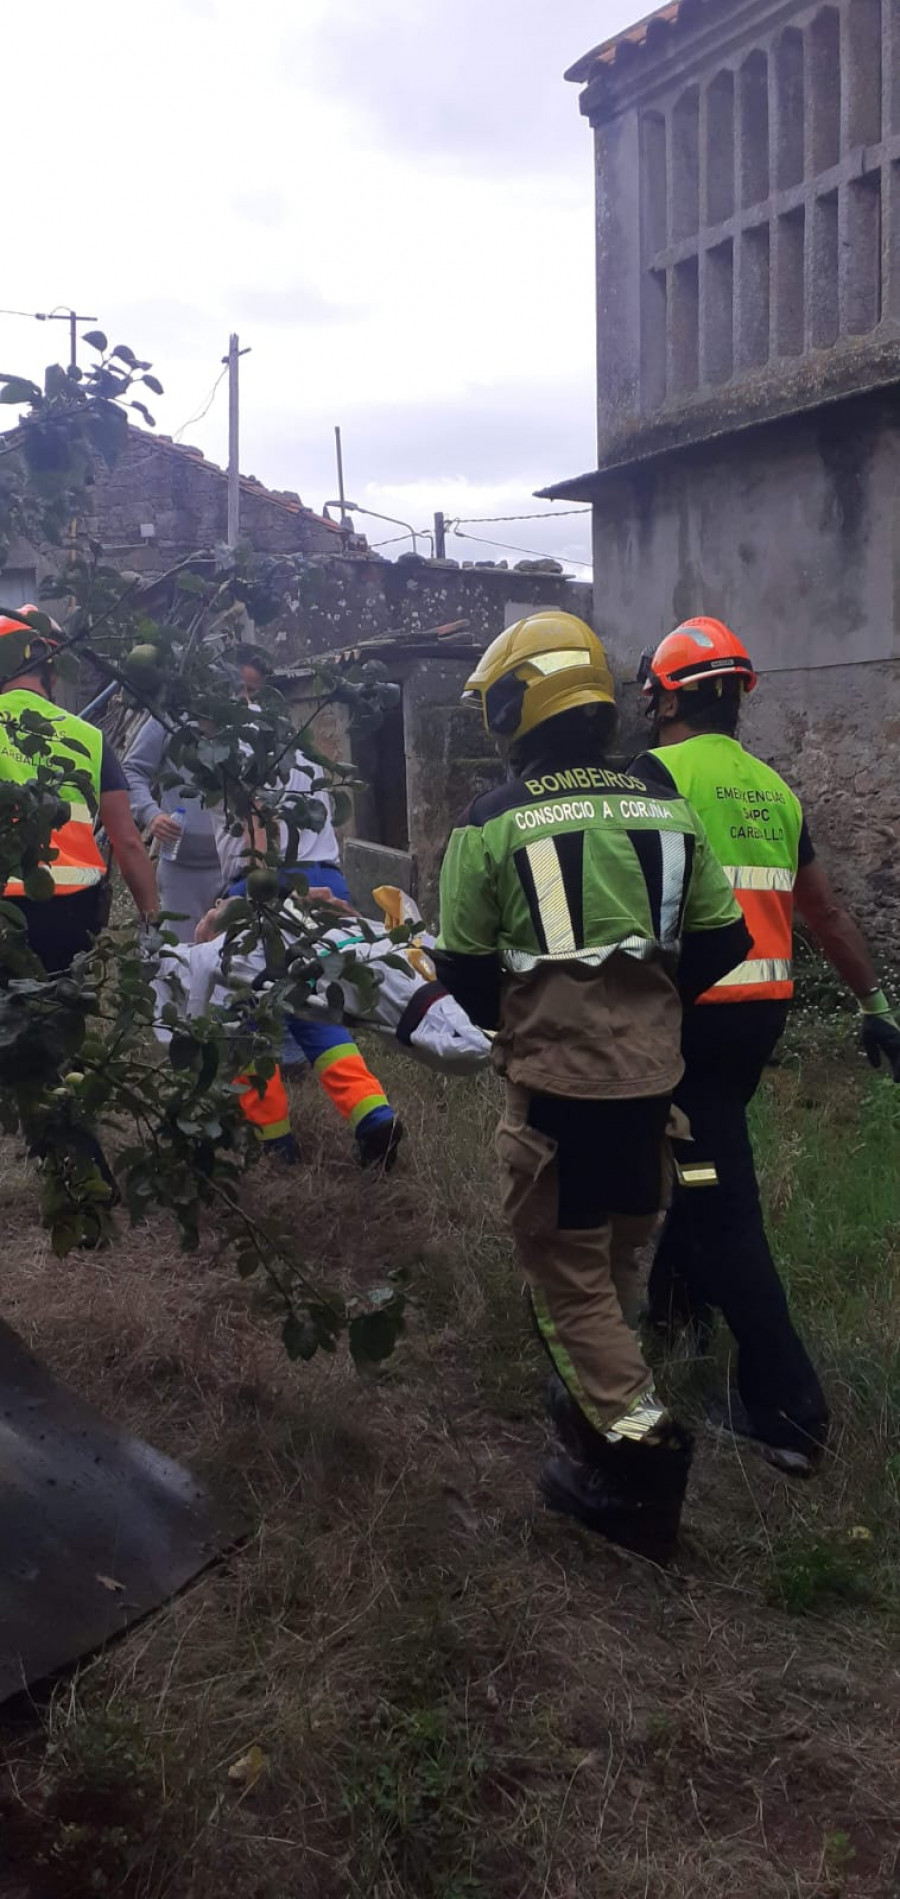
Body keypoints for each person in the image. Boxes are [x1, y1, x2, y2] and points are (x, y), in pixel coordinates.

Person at [434, 611, 751, 1563]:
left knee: (566, 1287)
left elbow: (463, 969)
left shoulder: (491, 819)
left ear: (520, 702)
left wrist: (537, 1017)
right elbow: (726, 937)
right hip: (656, 1087)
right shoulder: (663, 802)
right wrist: (649, 1001)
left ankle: (642, 1463)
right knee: (615, 1265)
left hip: (556, 1096)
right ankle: (598, 1414)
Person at [634, 618, 900, 1477]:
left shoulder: (650, 776)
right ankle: (675, 1318)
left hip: (684, 1014)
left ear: (667, 694)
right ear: (736, 698)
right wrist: (875, 1000)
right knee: (695, 1152)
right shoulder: (773, 791)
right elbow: (823, 912)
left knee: (718, 1194)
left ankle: (792, 1412)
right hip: (759, 1020)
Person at [207, 648, 404, 1172]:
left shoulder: (224, 741)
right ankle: (372, 1116)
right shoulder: (286, 733)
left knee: (247, 1009)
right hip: (322, 872)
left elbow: (255, 821)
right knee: (317, 1002)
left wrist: (251, 893)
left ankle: (274, 1143)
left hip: (268, 881)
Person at [0, 608, 157, 970]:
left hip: (6, 906)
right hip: (73, 913)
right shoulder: (89, 738)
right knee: (60, 1017)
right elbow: (129, 841)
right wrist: (151, 925)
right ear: (52, 673)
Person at [124, 715, 224, 944]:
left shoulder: (233, 716)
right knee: (182, 955)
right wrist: (152, 814)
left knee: (229, 960)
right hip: (180, 868)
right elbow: (132, 771)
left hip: (229, 865)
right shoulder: (167, 716)